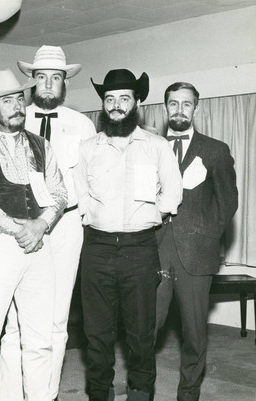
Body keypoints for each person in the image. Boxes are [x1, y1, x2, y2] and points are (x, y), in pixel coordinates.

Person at [74, 69, 183, 401]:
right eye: (110, 99)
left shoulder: (157, 147)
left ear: (137, 102)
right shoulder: (88, 148)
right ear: (104, 105)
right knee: (97, 334)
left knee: (140, 334)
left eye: (124, 98)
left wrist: (148, 215)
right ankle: (99, 395)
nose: (116, 105)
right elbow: (81, 196)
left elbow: (173, 195)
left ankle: (140, 394)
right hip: (97, 248)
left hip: (139, 249)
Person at [0, 69, 68, 401]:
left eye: (19, 98)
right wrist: (19, 228)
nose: (17, 106)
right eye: (7, 101)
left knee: (39, 340)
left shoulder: (41, 145)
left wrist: (41, 225)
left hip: (39, 245)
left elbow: (59, 194)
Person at [0, 45, 97, 401]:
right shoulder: (11, 117)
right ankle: (10, 395)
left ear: (65, 83)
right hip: (20, 226)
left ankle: (46, 394)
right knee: (14, 322)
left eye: (56, 78)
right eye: (42, 77)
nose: (49, 84)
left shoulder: (81, 124)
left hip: (65, 226)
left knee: (56, 320)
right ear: (32, 81)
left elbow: (89, 180)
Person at [155, 82, 238, 401]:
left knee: (193, 332)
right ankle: (141, 387)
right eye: (173, 104)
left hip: (196, 253)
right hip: (154, 250)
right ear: (165, 108)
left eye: (186, 104)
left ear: (196, 108)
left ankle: (188, 394)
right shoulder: (150, 146)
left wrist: (205, 235)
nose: (179, 110)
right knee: (147, 326)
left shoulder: (215, 150)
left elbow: (228, 202)